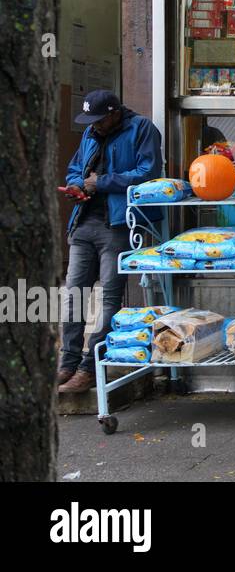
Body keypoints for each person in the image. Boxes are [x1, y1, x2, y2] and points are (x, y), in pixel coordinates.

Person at [58, 90, 162, 394]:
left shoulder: (142, 128)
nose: (94, 126)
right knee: (74, 294)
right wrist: (78, 184)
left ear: (114, 112)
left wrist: (100, 182)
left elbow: (148, 173)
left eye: (99, 119)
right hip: (84, 222)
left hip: (117, 224)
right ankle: (68, 362)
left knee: (109, 300)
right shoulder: (90, 133)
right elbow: (75, 168)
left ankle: (90, 367)